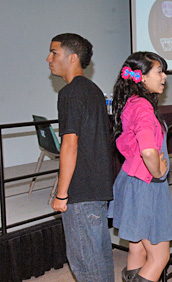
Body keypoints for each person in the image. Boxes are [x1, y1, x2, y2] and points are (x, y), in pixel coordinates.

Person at [47, 33, 114, 281]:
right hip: (96, 187)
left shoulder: (70, 93)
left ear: (73, 57)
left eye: (54, 53)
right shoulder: (92, 90)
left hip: (82, 191)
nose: (48, 59)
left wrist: (62, 193)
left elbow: (70, 144)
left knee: (86, 263)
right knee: (99, 256)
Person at [108, 52, 172, 282]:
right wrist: (158, 171)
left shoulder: (132, 103)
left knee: (137, 248)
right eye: (159, 71)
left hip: (131, 181)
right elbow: (148, 150)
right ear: (142, 78)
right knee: (159, 257)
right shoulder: (143, 107)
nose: (164, 76)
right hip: (145, 186)